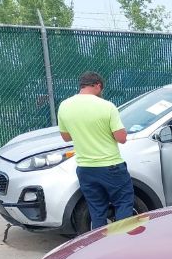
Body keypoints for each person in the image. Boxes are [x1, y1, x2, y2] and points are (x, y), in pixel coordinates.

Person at [57, 71, 134, 230]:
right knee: (123, 202)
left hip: (85, 168)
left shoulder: (64, 105)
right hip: (111, 166)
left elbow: (65, 137)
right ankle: (122, 242)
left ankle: (99, 244)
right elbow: (121, 138)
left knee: (97, 209)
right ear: (98, 85)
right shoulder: (106, 106)